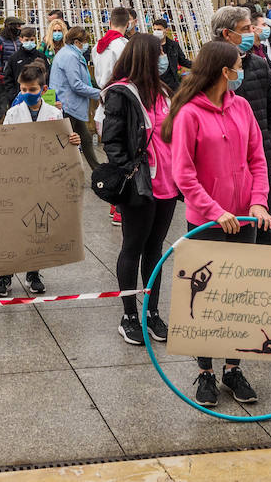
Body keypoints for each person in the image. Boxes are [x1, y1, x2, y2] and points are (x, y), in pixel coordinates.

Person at [163, 41, 271, 409]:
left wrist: (258, 201)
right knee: (206, 302)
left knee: (239, 299)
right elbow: (184, 174)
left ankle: (233, 367)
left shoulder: (241, 107)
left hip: (244, 220)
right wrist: (213, 211)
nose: (243, 68)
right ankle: (206, 372)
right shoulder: (190, 113)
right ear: (224, 72)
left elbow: (258, 158)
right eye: (238, 64)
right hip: (207, 223)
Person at [98, 35, 173, 344]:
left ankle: (152, 312)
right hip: (141, 183)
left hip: (167, 181)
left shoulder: (164, 92)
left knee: (155, 248)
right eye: (159, 54)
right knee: (133, 247)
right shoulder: (121, 93)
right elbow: (111, 140)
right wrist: (130, 169)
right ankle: (129, 314)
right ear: (146, 57)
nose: (164, 59)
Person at [0, 62, 64, 298]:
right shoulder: (13, 114)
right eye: (22, 90)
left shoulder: (54, 114)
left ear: (43, 90)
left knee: (38, 226)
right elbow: (3, 144)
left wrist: (72, 140)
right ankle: (4, 275)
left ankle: (33, 272)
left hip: (42, 179)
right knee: (11, 226)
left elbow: (60, 145)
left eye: (32, 90)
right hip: (17, 178)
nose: (26, 94)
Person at [213, 6, 271, 205]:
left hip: (260, 155)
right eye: (245, 29)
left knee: (262, 216)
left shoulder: (259, 64)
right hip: (224, 162)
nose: (252, 33)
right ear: (227, 33)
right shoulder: (209, 69)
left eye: (251, 28)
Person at [49, 26, 102, 167]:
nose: (86, 46)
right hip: (68, 105)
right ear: (77, 42)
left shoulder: (67, 53)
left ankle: (97, 172)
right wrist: (99, 94)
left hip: (69, 105)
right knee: (64, 143)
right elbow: (76, 85)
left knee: (86, 139)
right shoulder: (70, 56)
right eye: (85, 42)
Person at [92, 7, 133, 122]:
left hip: (104, 96)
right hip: (122, 98)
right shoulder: (126, 46)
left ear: (110, 23)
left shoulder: (97, 46)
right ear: (128, 24)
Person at [0, 16, 26, 126]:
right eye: (18, 26)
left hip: (18, 81)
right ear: (11, 27)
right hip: (4, 82)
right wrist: (3, 78)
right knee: (0, 109)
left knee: (16, 108)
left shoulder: (18, 41)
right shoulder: (0, 41)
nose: (20, 28)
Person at [154, 17, 192, 92]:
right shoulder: (150, 46)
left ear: (166, 30)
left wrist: (200, 66)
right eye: (154, 29)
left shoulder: (173, 45)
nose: (156, 32)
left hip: (172, 85)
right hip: (156, 85)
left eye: (159, 29)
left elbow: (183, 61)